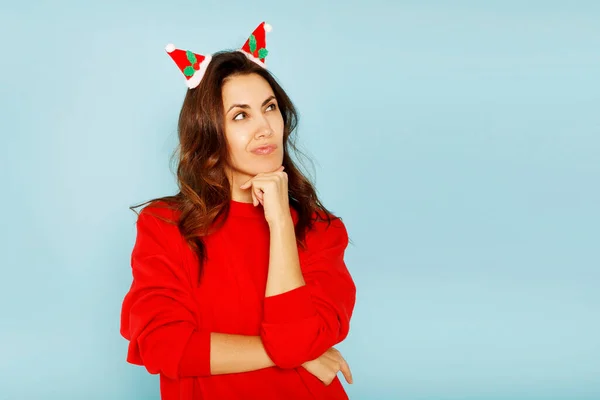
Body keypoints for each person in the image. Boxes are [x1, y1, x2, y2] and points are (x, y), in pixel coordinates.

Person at [119, 22, 357, 400]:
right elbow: (163, 345)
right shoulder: (165, 226)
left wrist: (279, 220)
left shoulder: (322, 231)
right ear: (210, 131)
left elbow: (293, 338)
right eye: (241, 116)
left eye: (270, 108)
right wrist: (293, 355)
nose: (264, 128)